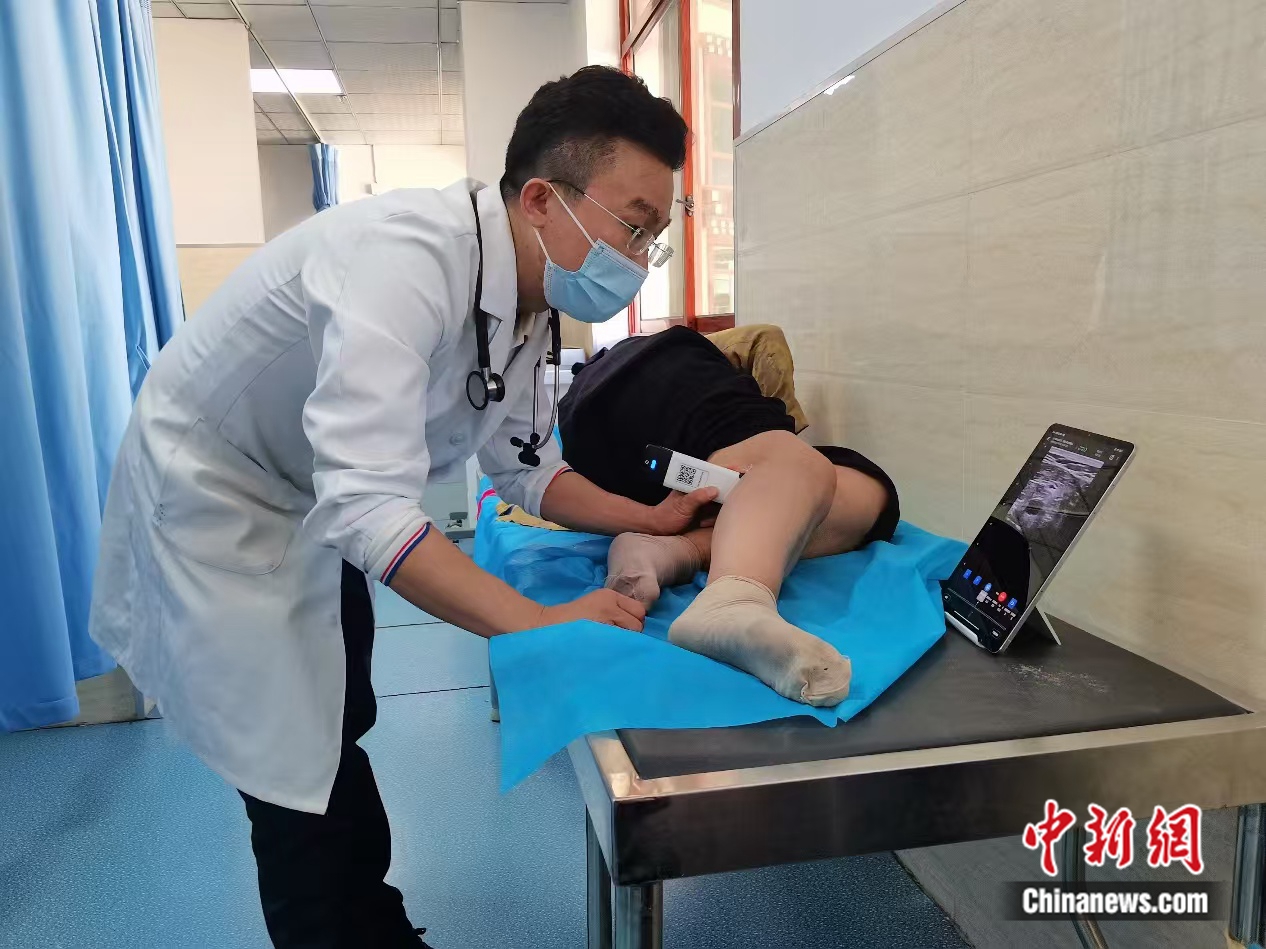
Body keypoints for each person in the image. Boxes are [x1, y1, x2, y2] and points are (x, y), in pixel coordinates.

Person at [89, 67, 719, 949]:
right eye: (634, 225)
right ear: (543, 199)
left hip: (308, 493)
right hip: (218, 492)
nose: (640, 257)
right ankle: (337, 931)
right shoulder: (404, 259)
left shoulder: (530, 300)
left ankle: (372, 919)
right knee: (294, 761)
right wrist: (538, 622)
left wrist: (646, 520)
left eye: (654, 235)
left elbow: (525, 469)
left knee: (341, 709)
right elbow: (370, 509)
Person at [559, 324, 901, 707]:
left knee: (839, 492)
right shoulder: (674, 350)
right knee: (818, 471)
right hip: (645, 380)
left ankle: (668, 551)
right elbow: (767, 341)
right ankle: (732, 599)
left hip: (591, 453)